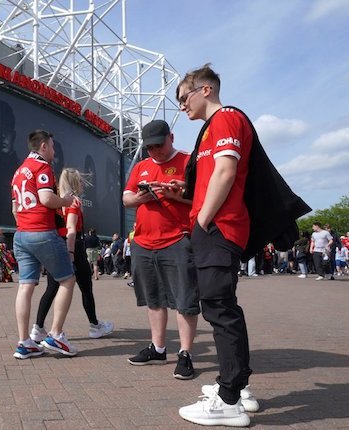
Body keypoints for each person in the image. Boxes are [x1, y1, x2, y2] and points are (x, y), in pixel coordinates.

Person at [175, 64, 258, 426]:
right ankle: (236, 388)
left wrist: (203, 219)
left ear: (204, 90)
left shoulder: (225, 118)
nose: (181, 106)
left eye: (183, 97)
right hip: (214, 226)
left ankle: (229, 399)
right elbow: (214, 174)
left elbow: (225, 171)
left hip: (218, 228)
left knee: (219, 309)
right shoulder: (212, 128)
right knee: (219, 307)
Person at [122, 119, 200, 380]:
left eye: (159, 145)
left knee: (184, 300)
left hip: (177, 239)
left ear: (172, 137)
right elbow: (126, 198)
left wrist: (174, 194)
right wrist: (139, 198)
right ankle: (157, 348)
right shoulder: (142, 166)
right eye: (150, 147)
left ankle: (185, 353)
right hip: (144, 241)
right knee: (153, 299)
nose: (155, 151)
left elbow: (202, 197)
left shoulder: (189, 160)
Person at [11, 129, 78, 359]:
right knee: (67, 280)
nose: (54, 150)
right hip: (42, 232)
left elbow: (14, 209)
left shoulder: (18, 172)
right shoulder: (42, 167)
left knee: (25, 286)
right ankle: (56, 334)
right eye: (52, 146)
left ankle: (24, 342)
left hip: (21, 234)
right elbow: (47, 199)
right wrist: (66, 200)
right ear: (43, 147)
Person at [30, 168, 113, 343]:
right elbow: (72, 229)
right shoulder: (73, 202)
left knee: (52, 288)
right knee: (85, 288)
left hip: (57, 244)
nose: (83, 185)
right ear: (75, 183)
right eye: (80, 181)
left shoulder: (56, 202)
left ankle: (38, 327)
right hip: (74, 247)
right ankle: (94, 325)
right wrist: (71, 254)